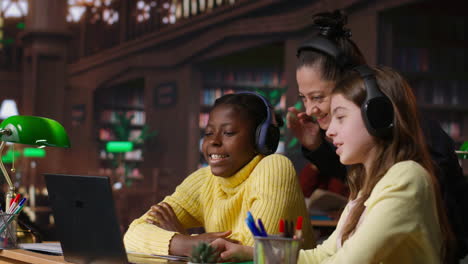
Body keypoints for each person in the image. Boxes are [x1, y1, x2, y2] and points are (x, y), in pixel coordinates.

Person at [212, 65, 456, 263]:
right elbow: (323, 255)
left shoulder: (407, 177)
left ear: (377, 117)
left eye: (340, 117)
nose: (330, 132)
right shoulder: (366, 184)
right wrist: (247, 252)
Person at [288, 10, 467, 259]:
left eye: (318, 97)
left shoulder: (410, 170)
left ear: (355, 86)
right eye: (303, 98)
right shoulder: (368, 176)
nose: (309, 110)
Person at [123, 92, 315, 257]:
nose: (214, 141)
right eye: (208, 133)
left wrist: (180, 240)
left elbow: (247, 248)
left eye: (229, 132)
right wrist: (187, 243)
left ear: (261, 139)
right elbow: (132, 237)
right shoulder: (204, 180)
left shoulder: (274, 167)